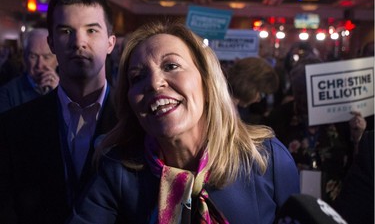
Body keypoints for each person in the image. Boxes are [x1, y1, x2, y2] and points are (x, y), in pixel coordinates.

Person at [68, 20, 300, 224]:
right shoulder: (117, 169)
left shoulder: (267, 158)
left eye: (171, 66)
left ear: (207, 81)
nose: (155, 83)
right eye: (137, 77)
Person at [0, 0, 118, 224]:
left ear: (110, 43)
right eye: (66, 31)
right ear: (52, 43)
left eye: (92, 30)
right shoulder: (14, 125)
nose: (79, 42)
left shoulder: (136, 120)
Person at [266, 55, 368, 204]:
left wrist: (357, 137)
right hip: (291, 198)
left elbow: (358, 163)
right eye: (298, 91)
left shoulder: (342, 116)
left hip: (334, 199)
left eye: (308, 91)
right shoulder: (280, 116)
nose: (302, 98)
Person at [0, 28, 59, 113]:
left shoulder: (70, 91)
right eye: (33, 56)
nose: (39, 65)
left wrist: (59, 94)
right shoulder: (7, 94)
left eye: (46, 57)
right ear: (24, 58)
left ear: (57, 60)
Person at [226, 56, 279, 124]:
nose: (258, 100)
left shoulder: (231, 105)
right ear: (249, 85)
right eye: (261, 94)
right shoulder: (221, 108)